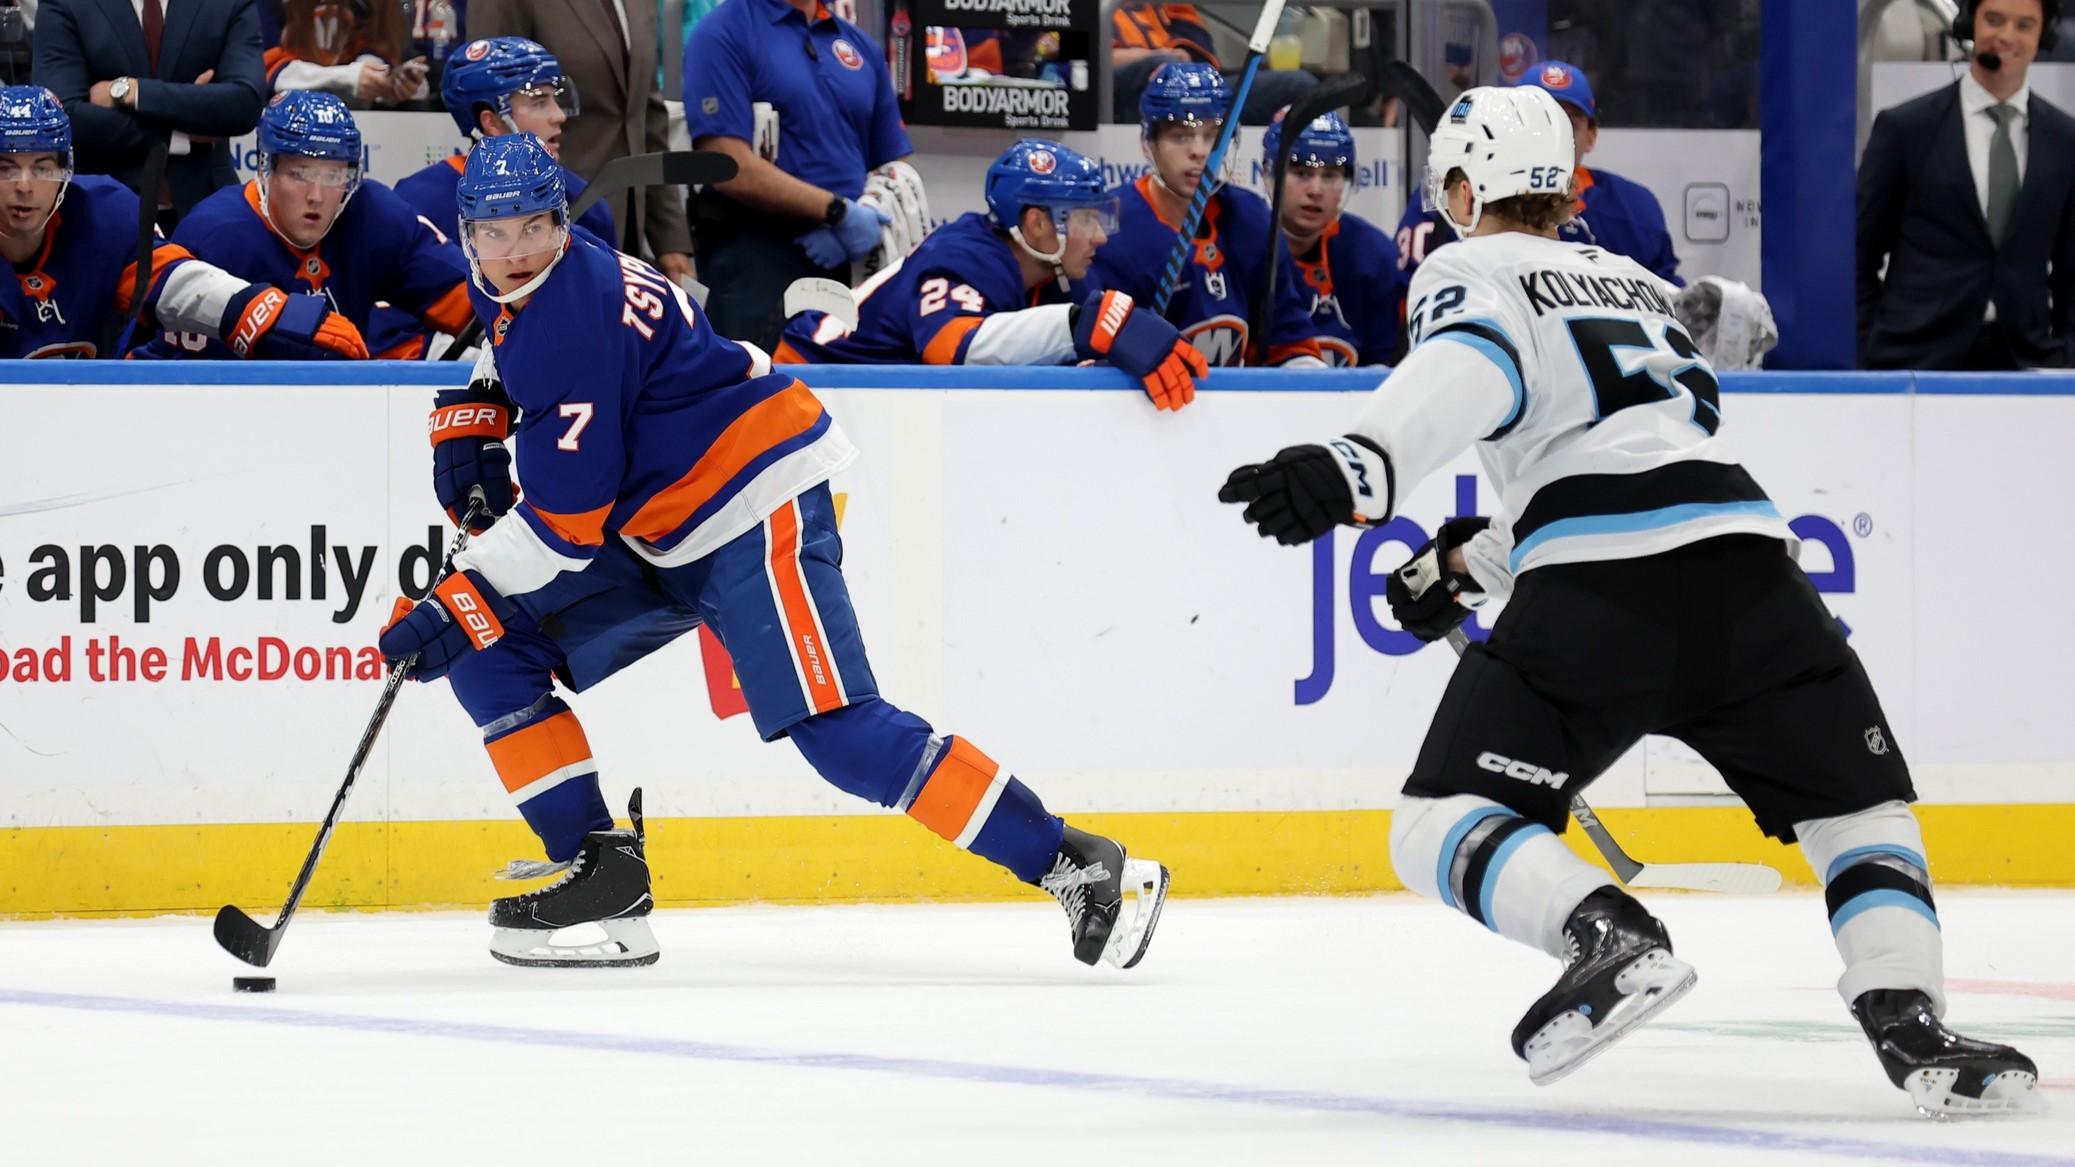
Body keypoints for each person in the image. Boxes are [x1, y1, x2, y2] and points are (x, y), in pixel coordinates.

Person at [1217, 84, 2040, 1117]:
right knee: (1858, 813)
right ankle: (1909, 1021)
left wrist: (1355, 464)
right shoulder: (1640, 286)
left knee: (1436, 825)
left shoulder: (1466, 263)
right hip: (1753, 574)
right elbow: (1617, 454)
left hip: (1601, 591)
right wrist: (1461, 571)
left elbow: (1470, 373)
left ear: (1466, 188)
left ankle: (1607, 935)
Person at [376, 133, 1171, 970]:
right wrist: (481, 396)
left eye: (532, 227)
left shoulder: (571, 317)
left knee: (838, 732)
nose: (512, 251)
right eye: (493, 232)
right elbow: (520, 336)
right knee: (489, 649)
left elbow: (567, 525)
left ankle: (1070, 858)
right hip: (660, 521)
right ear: (467, 234)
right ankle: (599, 871)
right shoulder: (550, 273)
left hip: (752, 501)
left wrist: (457, 593)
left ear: (558, 225)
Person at [774, 139, 1209, 410]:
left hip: (869, 401)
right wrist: (1079, 324)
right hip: (808, 388)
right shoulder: (962, 253)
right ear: (1037, 224)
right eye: (1086, 220)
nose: (1099, 238)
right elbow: (951, 347)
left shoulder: (1060, 269)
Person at [0, 84, 363, 358]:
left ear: (66, 171)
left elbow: (181, 287)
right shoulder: (219, 228)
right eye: (6, 169)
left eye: (43, 168)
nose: (25, 187)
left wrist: (284, 315)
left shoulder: (102, 217)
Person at [138, 90, 472, 358]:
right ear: (266, 168)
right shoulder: (216, 233)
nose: (316, 195)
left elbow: (470, 303)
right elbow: (168, 373)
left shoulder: (373, 213)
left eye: (334, 175)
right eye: (300, 174)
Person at [680, 0, 910, 351]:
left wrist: (867, 210)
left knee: (857, 395)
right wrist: (835, 211)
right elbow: (727, 165)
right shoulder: (722, 33)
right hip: (756, 262)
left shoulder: (859, 46)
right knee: (755, 393)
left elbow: (891, 164)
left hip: (853, 259)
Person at [1859, 0, 2075, 369]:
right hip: (1915, 359)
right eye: (1994, 20)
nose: (2006, 36)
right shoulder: (1906, 130)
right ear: (1970, 24)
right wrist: (1867, 351)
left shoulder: (2063, 140)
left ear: (2044, 37)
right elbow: (1857, 256)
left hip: (2029, 363)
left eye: (2024, 26)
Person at [367, 35, 613, 358]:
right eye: (540, 101)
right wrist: (471, 360)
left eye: (555, 99)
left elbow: (610, 315)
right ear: (492, 121)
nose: (559, 115)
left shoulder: (582, 197)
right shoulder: (419, 200)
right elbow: (389, 332)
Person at [1086, 62, 1323, 369]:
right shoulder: (1110, 229)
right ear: (1148, 143)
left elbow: (1289, 344)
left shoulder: (1252, 218)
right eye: (1180, 136)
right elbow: (1097, 359)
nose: (1198, 151)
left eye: (1212, 136)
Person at [1395, 60, 1681, 301]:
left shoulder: (1635, 208)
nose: (1552, 132)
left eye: (1567, 119)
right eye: (1538, 118)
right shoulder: (1445, 190)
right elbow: (1405, 295)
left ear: (1591, 135)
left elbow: (1674, 308)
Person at [470, 0, 694, 288]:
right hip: (543, 234)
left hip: (626, 234)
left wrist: (670, 239)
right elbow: (487, 100)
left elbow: (644, 116)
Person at [31, 0, 266, 221]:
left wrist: (131, 91)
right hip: (99, 214)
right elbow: (62, 117)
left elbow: (245, 103)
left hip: (207, 210)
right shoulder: (65, 3)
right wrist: (180, 133)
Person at [1261, 107, 1400, 366]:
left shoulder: (1374, 256)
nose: (1316, 189)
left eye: (1330, 175)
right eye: (1302, 172)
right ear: (1267, 176)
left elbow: (1388, 366)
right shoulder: (1243, 246)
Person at [1109, 1, 1315, 124]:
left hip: (1196, 83)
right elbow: (1085, 60)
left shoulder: (1165, 5)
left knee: (1299, 86)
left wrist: (1181, 55)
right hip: (1128, 90)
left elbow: (1198, 47)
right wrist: (1157, 58)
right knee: (1166, 68)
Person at [264, 0, 429, 107]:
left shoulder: (373, 6)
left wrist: (384, 81)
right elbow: (264, 66)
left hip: (354, 119)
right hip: (280, 111)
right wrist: (347, 77)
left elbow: (378, 48)